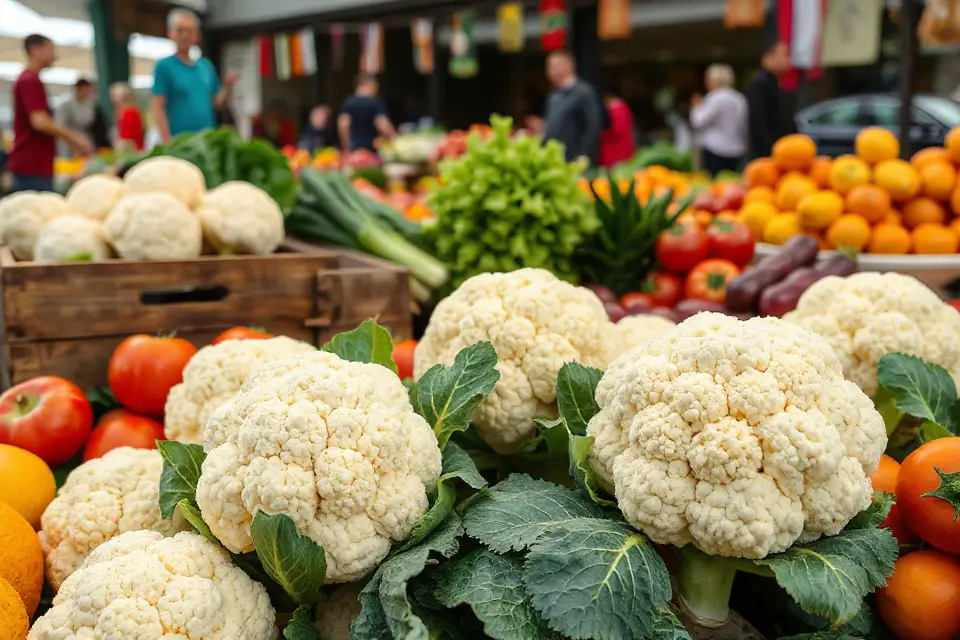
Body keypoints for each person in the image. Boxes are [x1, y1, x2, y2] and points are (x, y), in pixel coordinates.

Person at [9, 34, 91, 193]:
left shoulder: (30, 79)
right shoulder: (29, 80)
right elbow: (40, 121)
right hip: (31, 164)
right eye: (50, 49)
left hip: (35, 165)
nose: (55, 55)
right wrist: (73, 138)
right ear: (35, 50)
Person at [151, 8, 237, 143]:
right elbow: (157, 107)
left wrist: (227, 86)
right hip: (180, 142)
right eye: (180, 30)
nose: (185, 35)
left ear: (197, 34)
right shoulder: (164, 67)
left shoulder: (206, 66)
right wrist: (167, 141)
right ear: (170, 33)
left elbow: (217, 103)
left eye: (190, 30)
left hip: (207, 141)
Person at [543, 50, 602, 165]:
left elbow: (592, 126)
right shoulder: (553, 96)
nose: (550, 71)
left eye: (553, 66)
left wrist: (584, 154)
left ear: (567, 66)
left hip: (574, 159)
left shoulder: (584, 93)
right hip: (554, 160)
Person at [691, 64, 748, 176]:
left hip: (714, 149)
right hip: (736, 149)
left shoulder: (715, 97)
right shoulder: (739, 98)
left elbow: (698, 121)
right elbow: (744, 124)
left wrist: (696, 107)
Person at [746, 40, 793, 161]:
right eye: (784, 55)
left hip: (783, 154)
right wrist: (770, 151)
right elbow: (758, 122)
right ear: (767, 58)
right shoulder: (760, 84)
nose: (788, 60)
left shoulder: (776, 84)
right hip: (767, 158)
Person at [338, 74, 395, 152]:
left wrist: (347, 146)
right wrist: (393, 139)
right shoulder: (375, 102)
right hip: (371, 148)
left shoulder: (348, 102)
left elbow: (343, 125)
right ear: (369, 84)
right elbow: (382, 124)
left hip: (355, 148)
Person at [598, 84, 636, 168]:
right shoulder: (622, 107)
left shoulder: (617, 108)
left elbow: (616, 130)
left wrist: (600, 134)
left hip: (616, 153)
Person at [110, 82, 144, 151]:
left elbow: (128, 138)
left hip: (132, 151)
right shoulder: (122, 111)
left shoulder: (129, 112)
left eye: (113, 95)